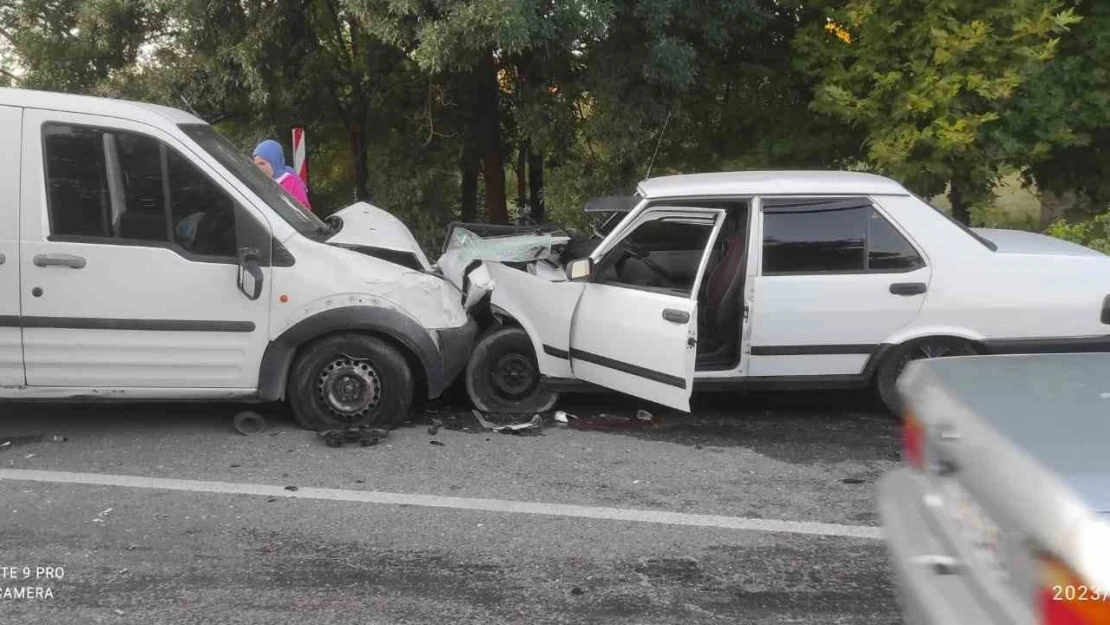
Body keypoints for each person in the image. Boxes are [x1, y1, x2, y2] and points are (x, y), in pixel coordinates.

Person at [252, 139, 312, 210]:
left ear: (275, 162)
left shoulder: (292, 182)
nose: (259, 168)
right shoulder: (258, 182)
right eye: (256, 165)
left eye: (262, 164)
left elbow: (303, 211)